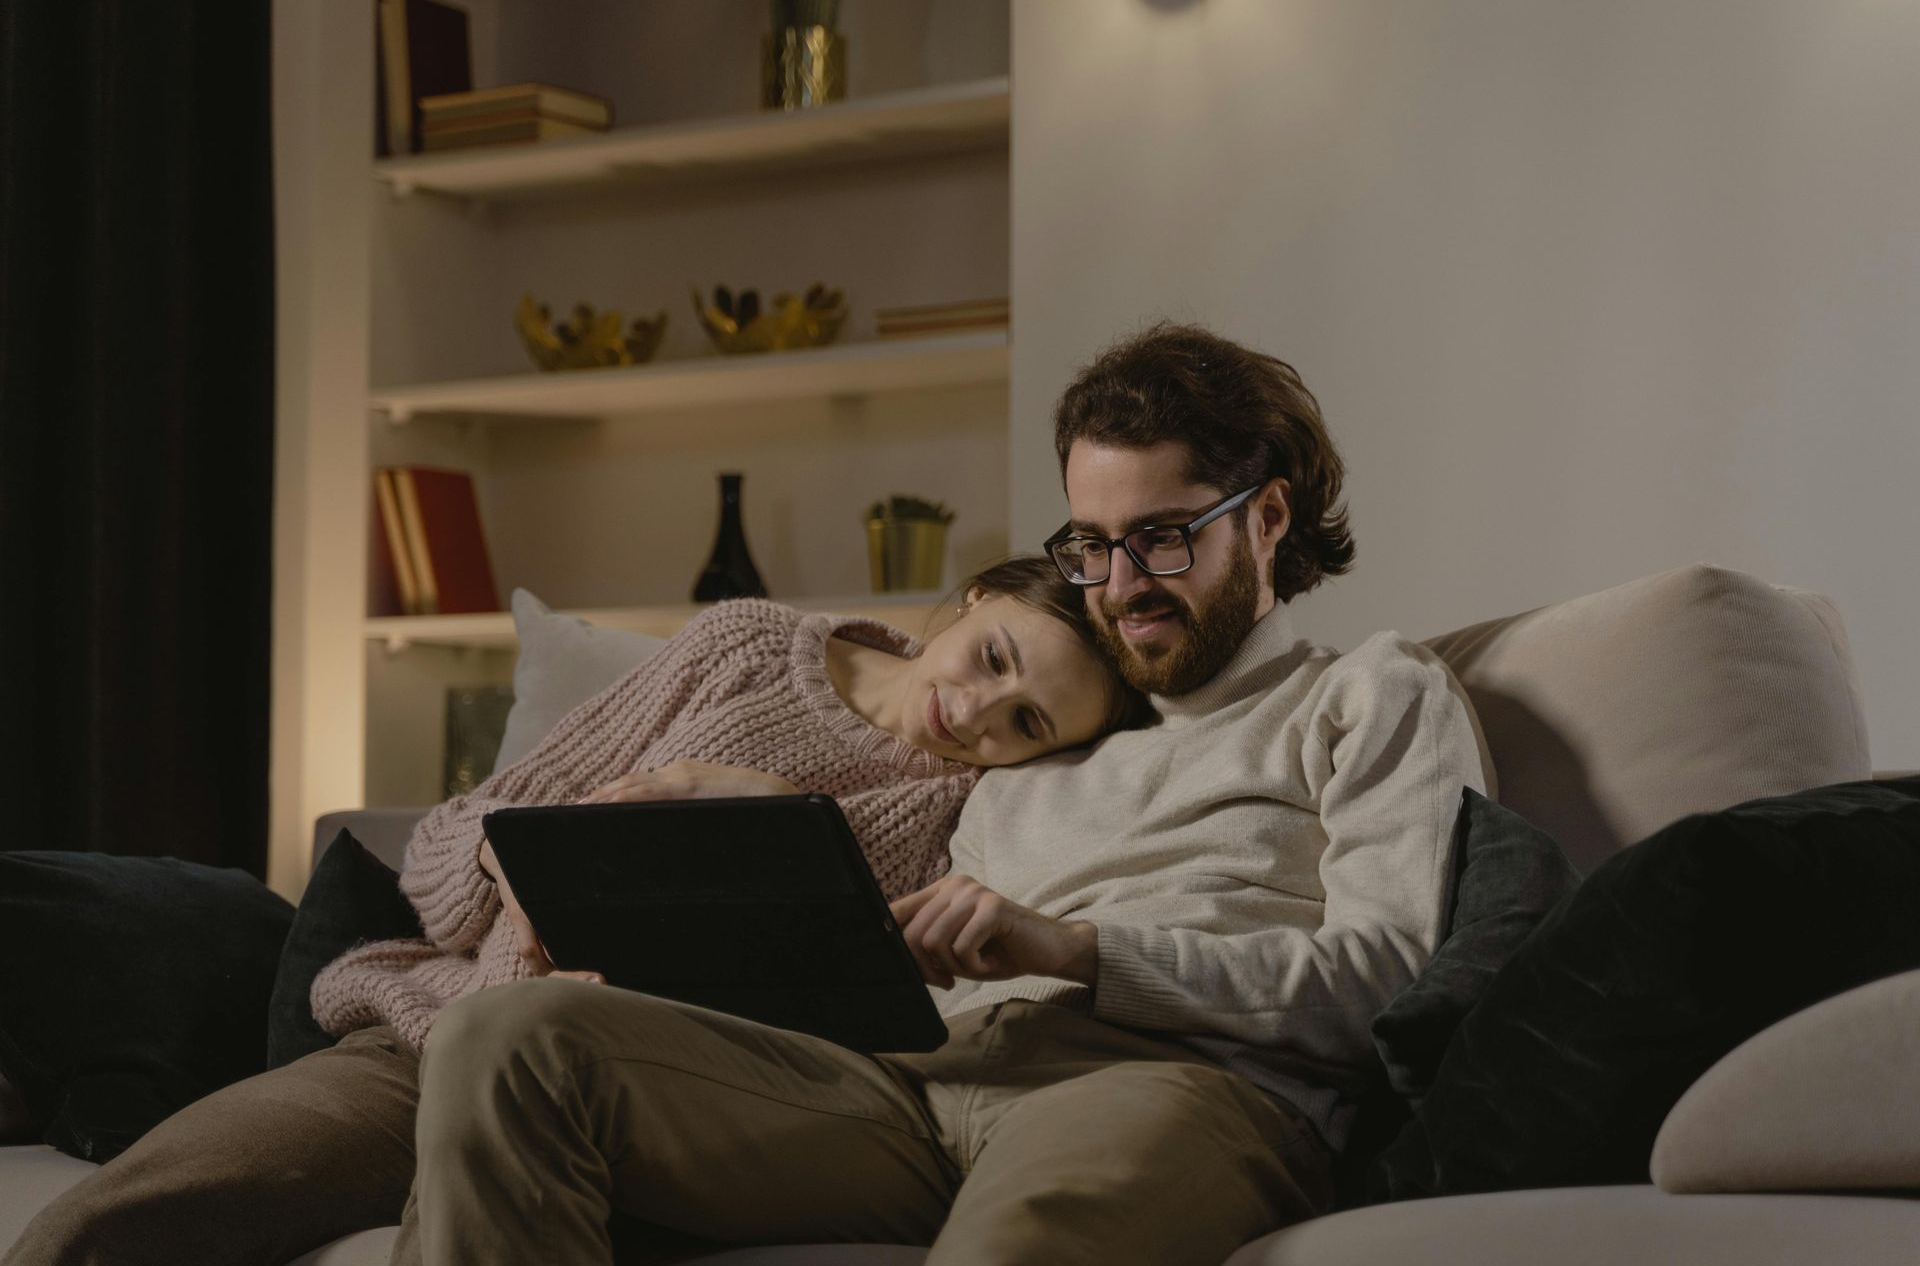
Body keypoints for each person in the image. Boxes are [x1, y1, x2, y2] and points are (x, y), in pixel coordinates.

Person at [390, 321, 1496, 1266]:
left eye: (1161, 538)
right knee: (509, 1038)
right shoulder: (1038, 732)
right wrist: (755, 816)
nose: (1119, 587)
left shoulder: (1369, 693)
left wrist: (1073, 949)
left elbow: (1386, 987)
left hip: (1167, 1084)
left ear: (1266, 520)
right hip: (911, 1081)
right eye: (1093, 545)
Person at [3, 554, 1147, 1266]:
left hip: (643, 1092)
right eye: (995, 657)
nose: (981, 710)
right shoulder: (745, 644)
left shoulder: (984, 813)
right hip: (441, 1028)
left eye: (1027, 720)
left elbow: (838, 1027)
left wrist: (767, 814)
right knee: (112, 1223)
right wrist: (537, 874)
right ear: (978, 596)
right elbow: (466, 835)